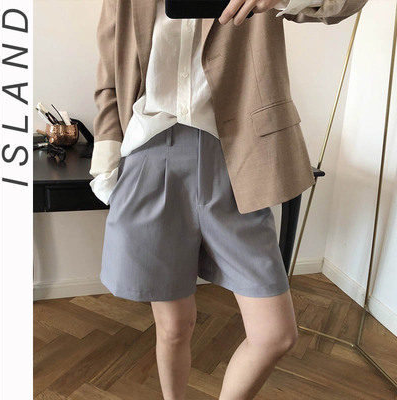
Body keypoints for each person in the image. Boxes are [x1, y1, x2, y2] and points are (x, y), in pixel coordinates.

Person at [89, 0, 369, 398]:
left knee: (275, 333)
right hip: (150, 153)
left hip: (237, 156)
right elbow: (108, 68)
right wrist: (107, 162)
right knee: (174, 327)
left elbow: (342, 5)